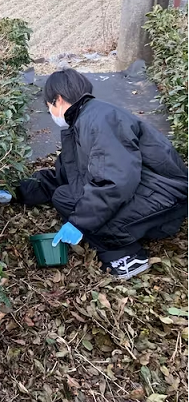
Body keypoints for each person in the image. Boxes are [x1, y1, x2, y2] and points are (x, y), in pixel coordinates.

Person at [13, 68, 187, 279]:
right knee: (65, 195)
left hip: (166, 199)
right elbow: (65, 176)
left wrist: (78, 223)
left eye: (48, 105)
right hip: (149, 191)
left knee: (74, 204)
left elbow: (116, 181)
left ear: (57, 100)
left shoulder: (99, 120)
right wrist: (16, 192)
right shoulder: (83, 122)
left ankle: (129, 257)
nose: (50, 112)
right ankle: (124, 235)